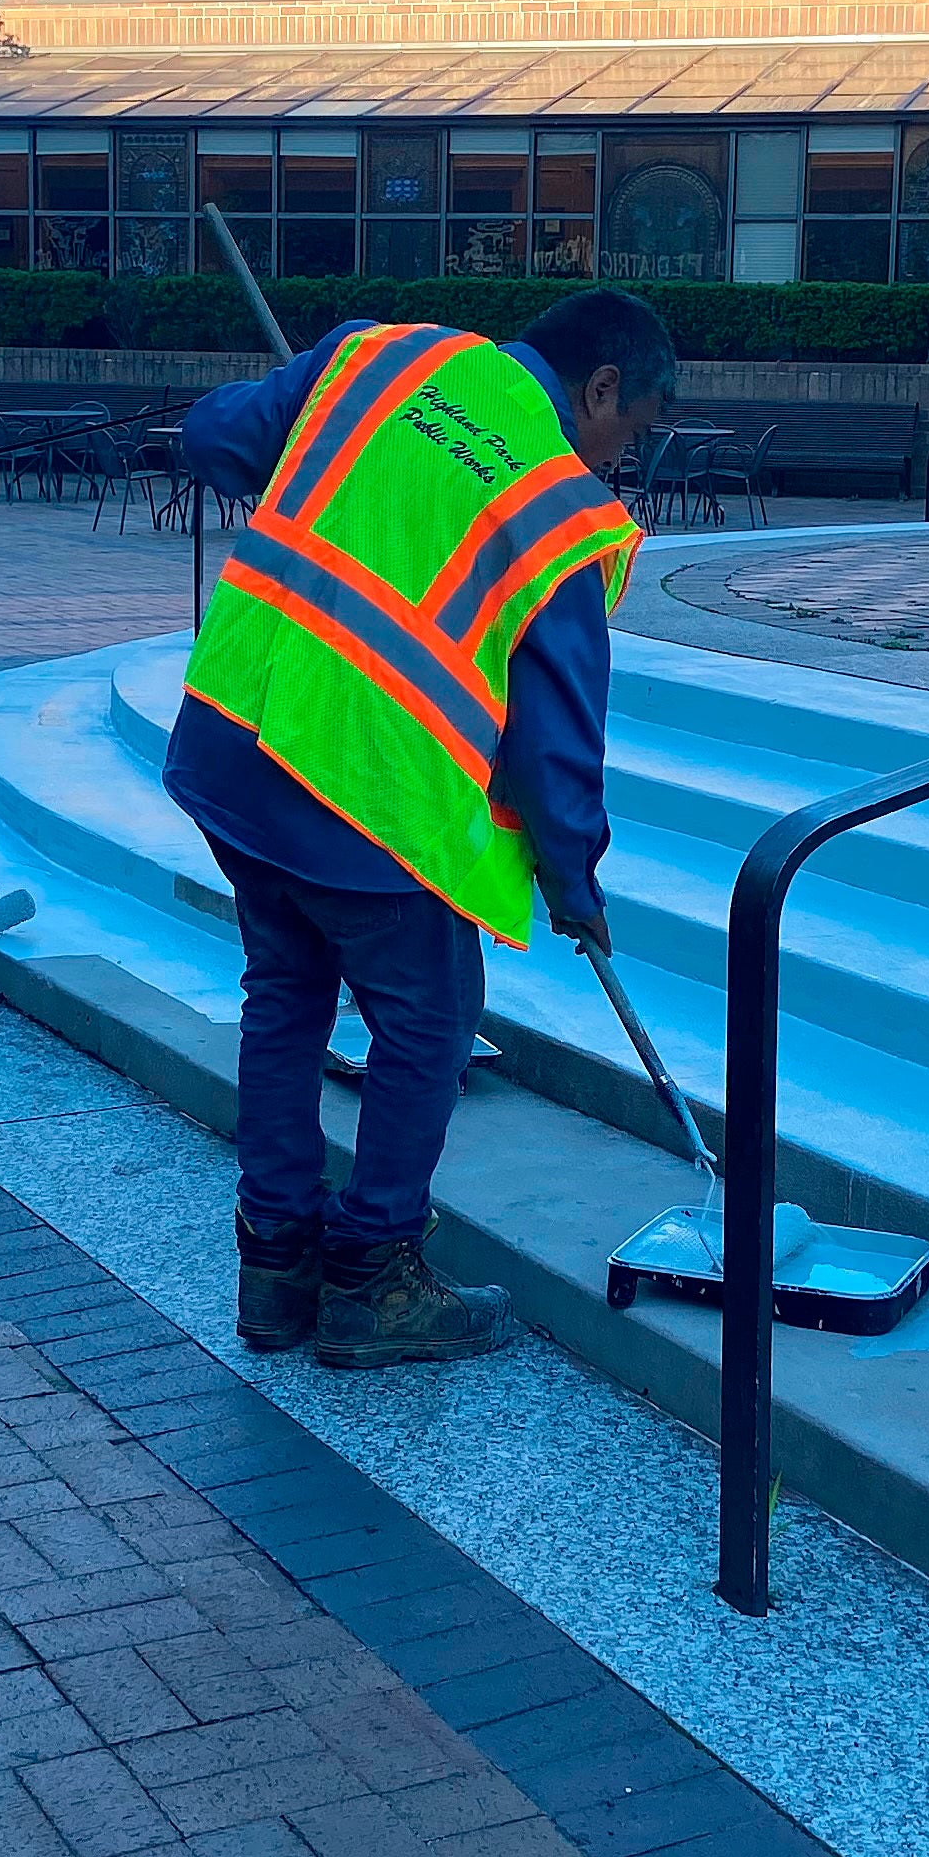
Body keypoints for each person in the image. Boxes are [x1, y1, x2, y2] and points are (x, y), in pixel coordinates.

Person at [165, 289, 675, 1368]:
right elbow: (555, 736)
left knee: (287, 996)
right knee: (429, 1024)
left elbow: (211, 435)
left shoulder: (377, 357)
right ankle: (371, 1275)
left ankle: (274, 1265)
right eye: (633, 432)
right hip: (370, 791)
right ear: (601, 389)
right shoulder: (558, 507)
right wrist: (576, 883)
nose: (622, 461)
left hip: (237, 737)